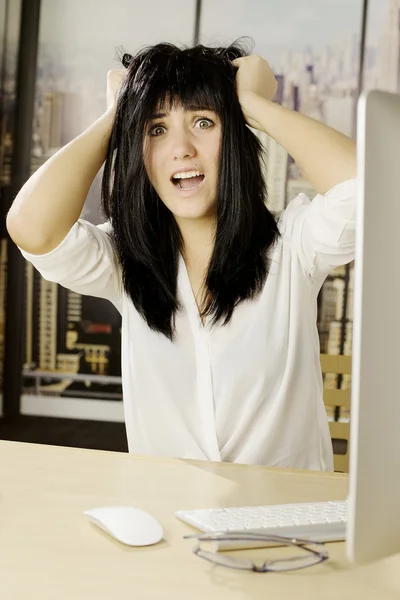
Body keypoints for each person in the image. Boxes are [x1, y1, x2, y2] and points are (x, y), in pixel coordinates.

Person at [6, 42, 356, 470]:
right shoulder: (125, 260)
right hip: (168, 521)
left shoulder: (292, 245)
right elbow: (31, 227)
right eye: (156, 129)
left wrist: (252, 103)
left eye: (203, 122)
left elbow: (372, 189)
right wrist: (117, 115)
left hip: (285, 522)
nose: (182, 147)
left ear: (236, 138)